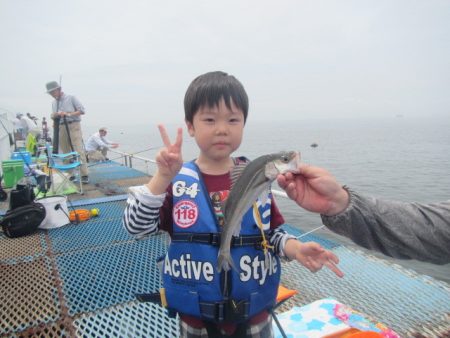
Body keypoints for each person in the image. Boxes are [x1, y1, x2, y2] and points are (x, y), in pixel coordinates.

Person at [123, 71, 343, 337]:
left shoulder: (257, 181)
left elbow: (270, 235)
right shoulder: (176, 181)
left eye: (233, 119)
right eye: (209, 119)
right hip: (196, 322)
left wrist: (296, 248)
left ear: (243, 125)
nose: (222, 128)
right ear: (190, 126)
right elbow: (137, 228)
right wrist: (162, 177)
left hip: (255, 317)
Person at [276, 164, 450, 265]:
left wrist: (295, 248)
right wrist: (339, 202)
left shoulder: (260, 196)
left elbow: (268, 235)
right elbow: (433, 228)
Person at [46, 81, 89, 183]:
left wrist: (68, 114)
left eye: (53, 91)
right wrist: (55, 115)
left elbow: (82, 110)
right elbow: (54, 116)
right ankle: (70, 174)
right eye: (50, 93)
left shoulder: (71, 97)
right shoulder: (54, 103)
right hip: (61, 127)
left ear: (59, 89)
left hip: (73, 125)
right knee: (65, 152)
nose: (52, 94)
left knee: (78, 150)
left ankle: (84, 174)